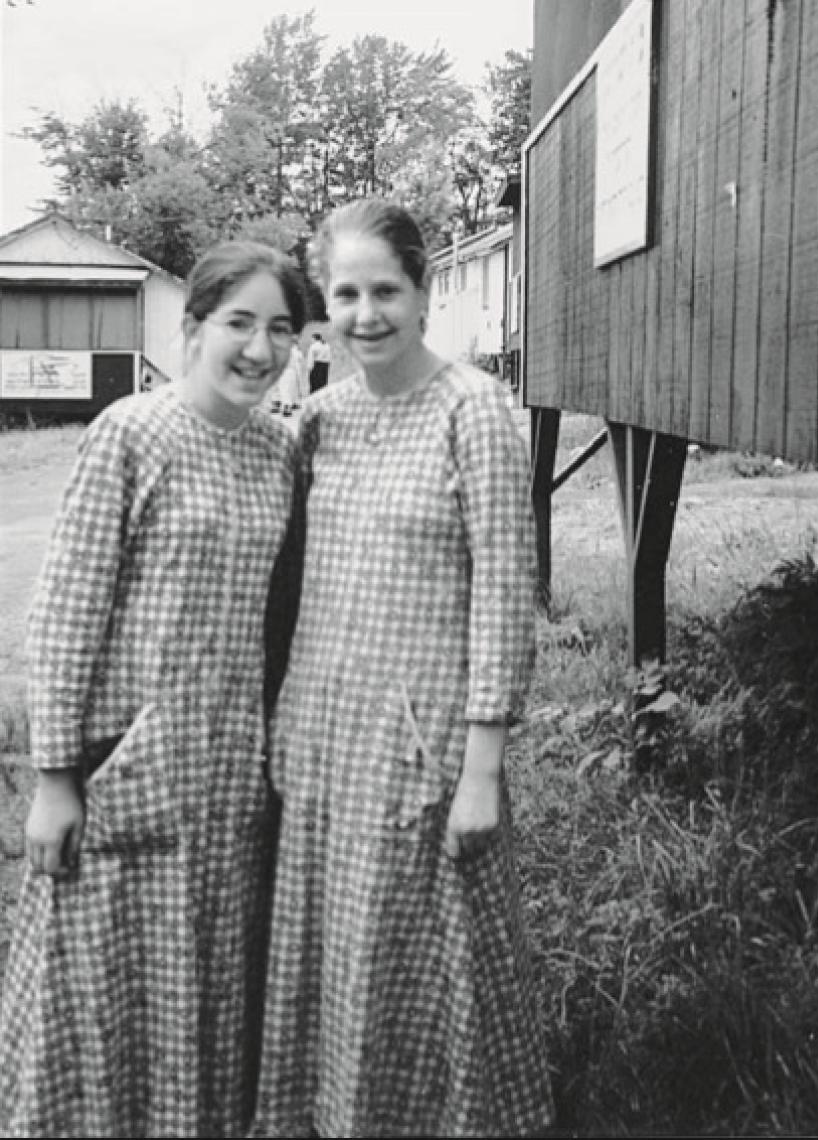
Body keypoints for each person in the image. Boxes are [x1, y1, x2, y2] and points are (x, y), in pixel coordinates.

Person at [253, 199, 555, 1138]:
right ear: (323, 308)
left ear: (424, 295)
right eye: (344, 294)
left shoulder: (475, 410)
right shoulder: (318, 422)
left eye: (385, 290)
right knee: (339, 954)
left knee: (435, 962)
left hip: (425, 751)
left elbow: (506, 589)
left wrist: (482, 769)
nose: (365, 314)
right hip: (322, 741)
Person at [0, 241, 307, 1138]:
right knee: (98, 1001)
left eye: (281, 328)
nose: (259, 348)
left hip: (228, 789)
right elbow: (63, 612)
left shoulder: (281, 453)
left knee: (205, 1001)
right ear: (191, 327)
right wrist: (54, 779)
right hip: (120, 776)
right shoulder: (128, 433)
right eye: (239, 322)